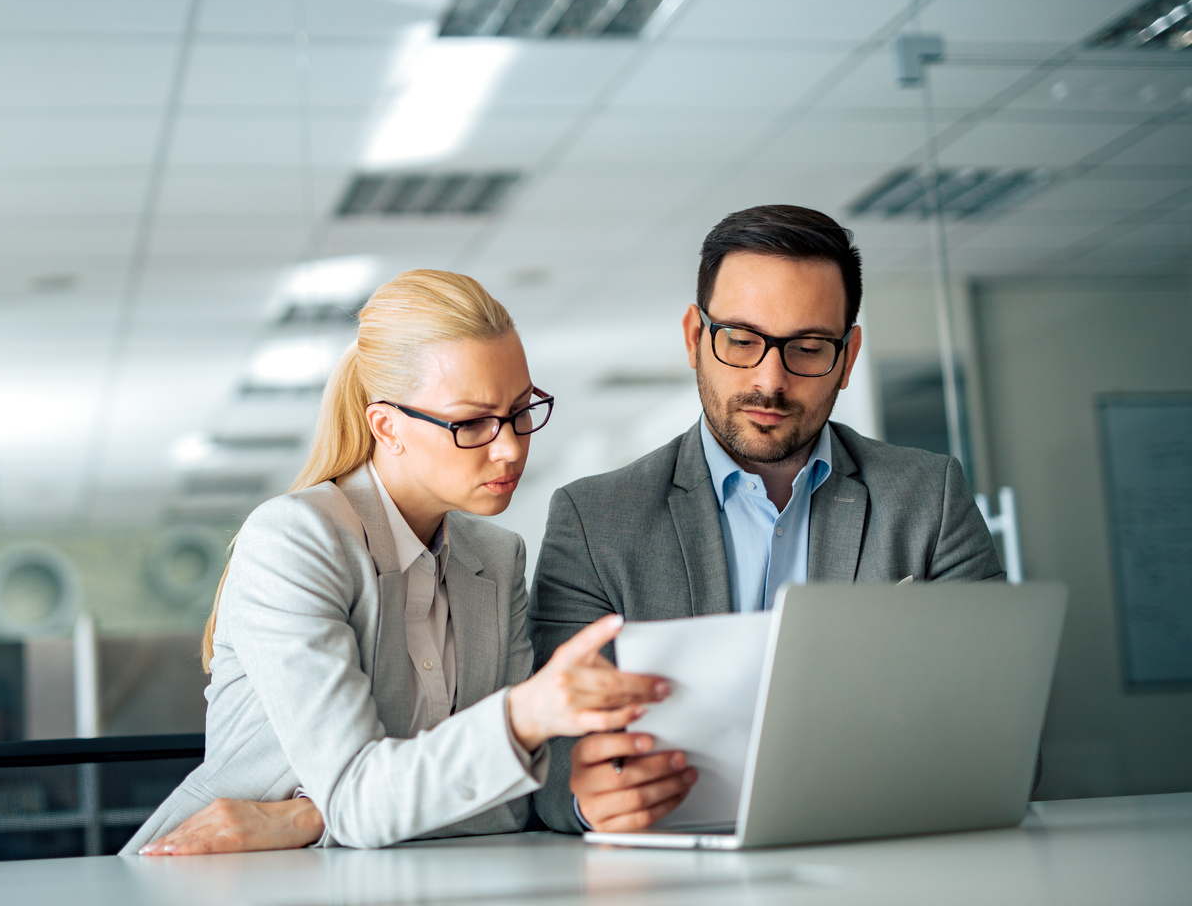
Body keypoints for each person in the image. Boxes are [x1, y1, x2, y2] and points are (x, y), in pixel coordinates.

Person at [121, 269, 668, 855]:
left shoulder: (497, 558)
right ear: (387, 426)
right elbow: (370, 800)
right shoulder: (296, 541)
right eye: (472, 423)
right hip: (222, 877)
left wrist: (305, 818)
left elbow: (505, 807)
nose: (509, 445)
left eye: (519, 410)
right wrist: (521, 718)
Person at [528, 205, 1003, 835]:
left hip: (880, 853)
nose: (769, 381)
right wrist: (587, 794)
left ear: (849, 352)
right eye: (742, 340)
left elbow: (1005, 730)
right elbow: (548, 754)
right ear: (695, 337)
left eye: (808, 348)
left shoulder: (929, 500)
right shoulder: (594, 521)